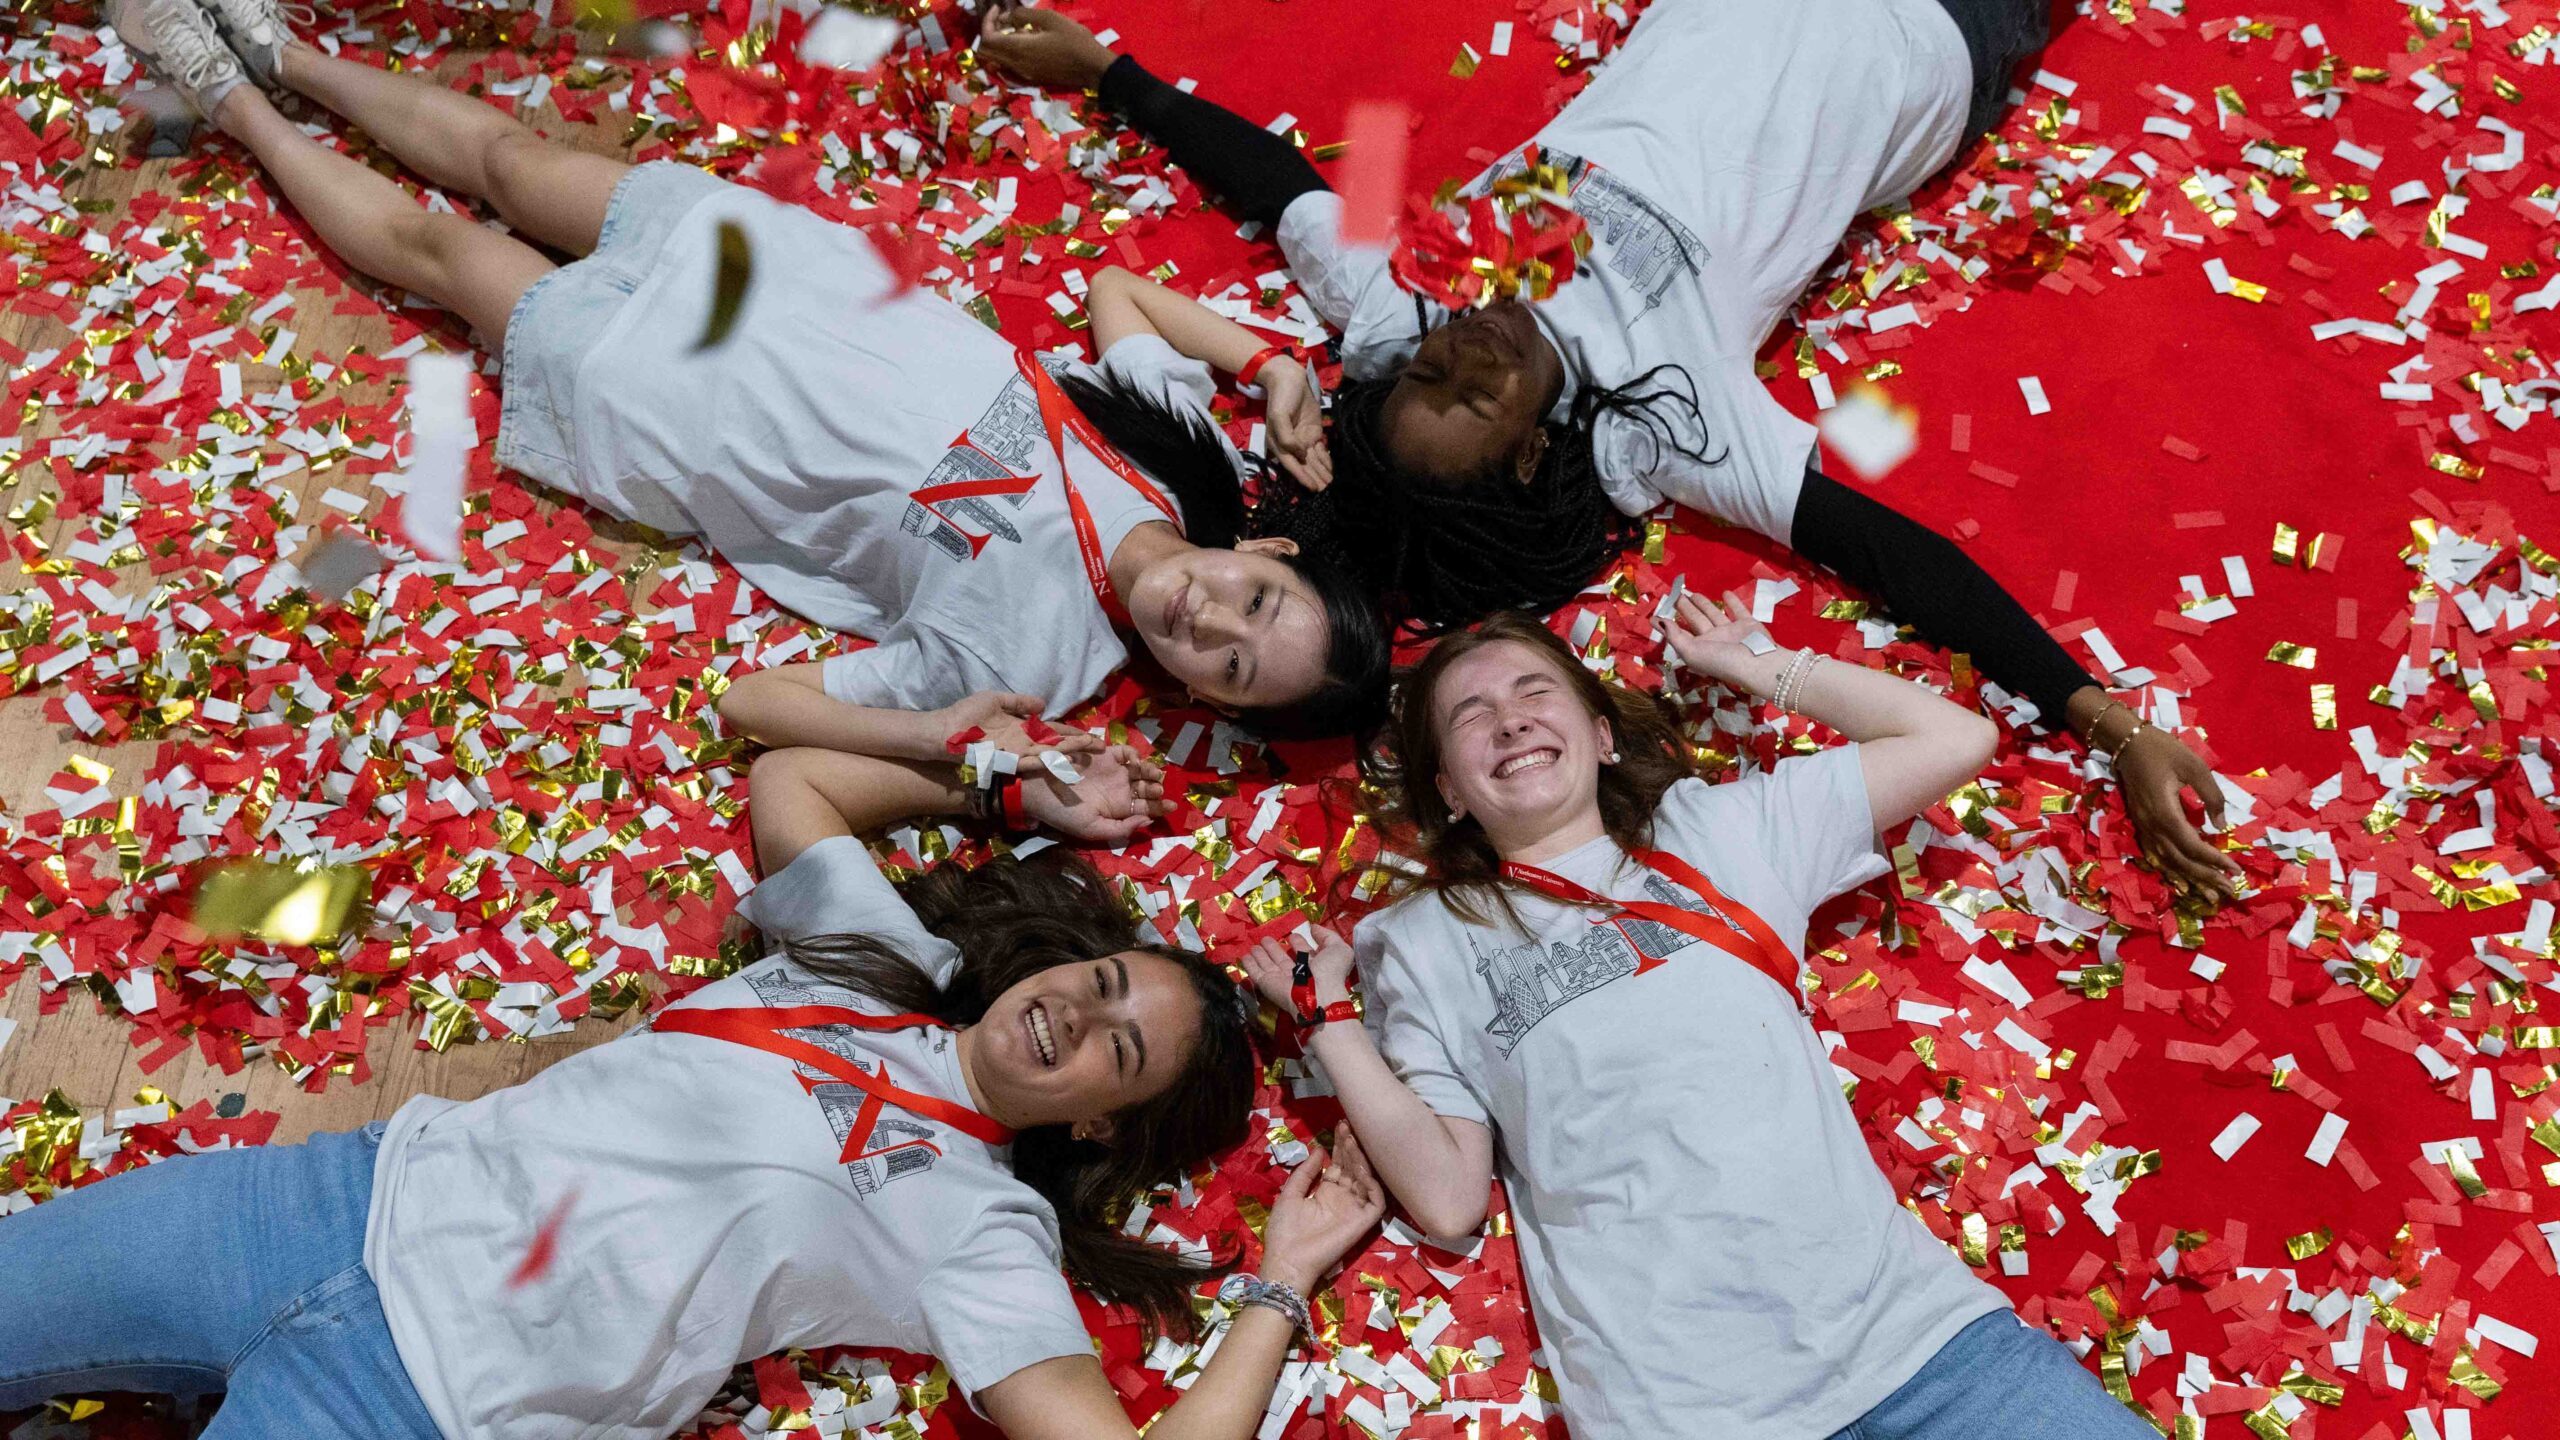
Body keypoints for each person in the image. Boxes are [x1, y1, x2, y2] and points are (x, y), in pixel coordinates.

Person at [979, 0, 2244, 907]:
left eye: (1432, 369)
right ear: (1531, 457)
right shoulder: (1679, 429)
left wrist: (1111, 73)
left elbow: (1281, 180)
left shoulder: (1399, 311)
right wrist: (2110, 725)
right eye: (1472, 392)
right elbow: (1900, 557)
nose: (1466, 345)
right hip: (1927, 40)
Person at [0, 741, 1387, 1440]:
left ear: (1099, 1120)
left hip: (424, 1401)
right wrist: (1008, 792)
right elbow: (790, 779)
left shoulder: (981, 1232)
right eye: (1096, 981)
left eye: (1114, 1046)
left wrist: (1279, 1281)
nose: (1071, 1012)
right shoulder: (886, 963)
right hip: (325, 1201)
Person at [106, 0, 1391, 748]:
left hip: (674, 405)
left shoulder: (1039, 667)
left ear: (1194, 699)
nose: (1209, 629)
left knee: (443, 250)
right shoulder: (1191, 455)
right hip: (778, 278)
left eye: (1225, 673)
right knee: (506, 159)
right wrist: (1268, 359)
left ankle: (222, 93)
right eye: (1253, 614)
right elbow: (1115, 293)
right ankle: (283, 50)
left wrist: (931, 740)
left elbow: (753, 703)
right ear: (1269, 560)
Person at [1238, 608, 2157, 1438]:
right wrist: (1330, 1024)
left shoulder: (1719, 830)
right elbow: (1445, 1199)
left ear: (1599, 736)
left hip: (1930, 1353)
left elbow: (1952, 734)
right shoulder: (1422, 942)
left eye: (1533, 692)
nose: (1510, 719)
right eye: (1470, 715)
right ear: (1446, 789)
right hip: (1684, 1409)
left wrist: (1757, 665)